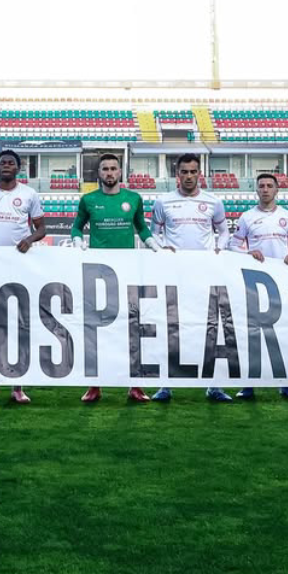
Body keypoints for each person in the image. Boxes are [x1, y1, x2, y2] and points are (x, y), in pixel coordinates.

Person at [70, 153, 157, 403]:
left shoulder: (134, 198)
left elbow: (141, 227)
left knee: (132, 329)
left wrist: (153, 244)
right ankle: (95, 385)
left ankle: (135, 385)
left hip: (128, 272)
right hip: (99, 274)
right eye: (105, 169)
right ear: (98, 173)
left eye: (113, 169)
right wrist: (77, 240)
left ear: (120, 172)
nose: (109, 173)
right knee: (96, 330)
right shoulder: (88, 200)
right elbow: (77, 226)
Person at [150, 153, 233, 403]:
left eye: (193, 172)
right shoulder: (163, 202)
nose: (188, 176)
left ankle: (214, 385)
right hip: (174, 275)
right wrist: (163, 249)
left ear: (200, 174)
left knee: (210, 329)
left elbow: (224, 231)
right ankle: (165, 384)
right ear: (178, 175)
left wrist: (221, 248)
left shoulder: (213, 202)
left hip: (206, 275)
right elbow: (155, 234)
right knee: (171, 329)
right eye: (184, 172)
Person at [0, 150, 47, 404]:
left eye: (10, 163)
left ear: (18, 167)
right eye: (2, 163)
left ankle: (18, 386)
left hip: (19, 268)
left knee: (18, 325)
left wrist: (29, 238)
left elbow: (42, 228)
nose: (6, 166)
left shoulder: (29, 194)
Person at [228, 173, 288, 400]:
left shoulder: (287, 216)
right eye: (261, 186)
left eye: (269, 186)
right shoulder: (247, 217)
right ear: (256, 190)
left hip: (283, 281)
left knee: (285, 332)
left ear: (277, 190)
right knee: (253, 333)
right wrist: (248, 252)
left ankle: (286, 384)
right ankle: (248, 384)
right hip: (255, 283)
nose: (265, 189)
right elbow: (233, 245)